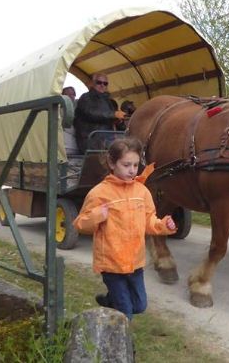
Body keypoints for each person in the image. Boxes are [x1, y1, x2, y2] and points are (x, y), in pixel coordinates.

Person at [73, 137, 177, 320]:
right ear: (112, 163)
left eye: (135, 165)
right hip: (112, 264)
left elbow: (149, 220)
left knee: (140, 305)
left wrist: (163, 225)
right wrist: (97, 216)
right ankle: (124, 345)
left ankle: (110, 301)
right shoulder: (99, 193)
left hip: (135, 262)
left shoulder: (142, 192)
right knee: (125, 313)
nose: (131, 170)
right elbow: (80, 223)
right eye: (126, 164)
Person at [73, 73, 126, 153]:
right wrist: (113, 115)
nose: (102, 85)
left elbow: (111, 119)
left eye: (105, 83)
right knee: (121, 149)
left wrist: (118, 121)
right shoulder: (85, 98)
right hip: (91, 138)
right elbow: (90, 113)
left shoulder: (108, 101)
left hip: (106, 137)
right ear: (92, 83)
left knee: (130, 144)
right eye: (99, 82)